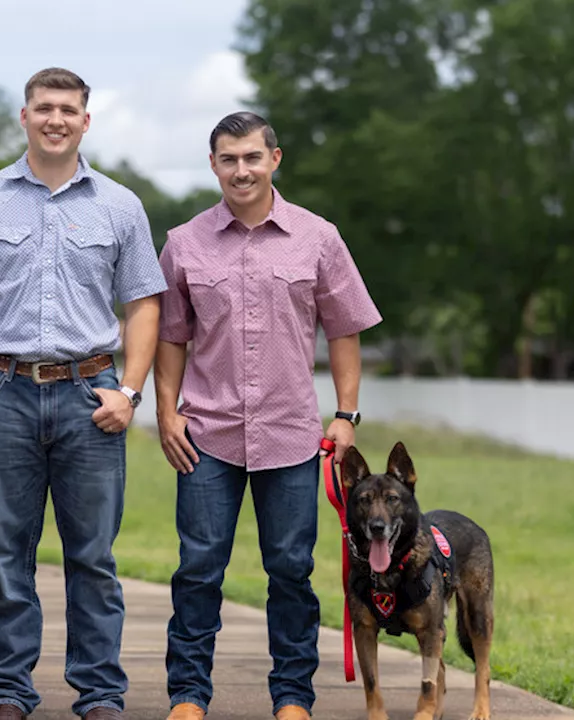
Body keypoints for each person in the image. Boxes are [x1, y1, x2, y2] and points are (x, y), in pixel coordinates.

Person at [0, 67, 167, 720]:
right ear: (24, 117)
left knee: (92, 558)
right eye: (44, 108)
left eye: (68, 109)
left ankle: (99, 695)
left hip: (90, 398)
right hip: (1, 395)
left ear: (86, 121)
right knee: (7, 557)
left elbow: (145, 307)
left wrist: (129, 390)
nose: (56, 119)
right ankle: (8, 692)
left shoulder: (119, 205)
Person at [154, 111, 382, 720]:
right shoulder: (184, 243)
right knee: (199, 568)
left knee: (290, 570)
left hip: (291, 433)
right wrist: (166, 413)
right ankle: (187, 697)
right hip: (206, 433)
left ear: (274, 159)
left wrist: (347, 414)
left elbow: (346, 329)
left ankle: (292, 699)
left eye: (252, 157)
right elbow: (170, 336)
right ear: (213, 165)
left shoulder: (319, 237)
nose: (241, 170)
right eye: (228, 159)